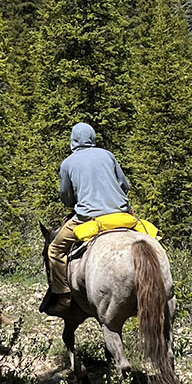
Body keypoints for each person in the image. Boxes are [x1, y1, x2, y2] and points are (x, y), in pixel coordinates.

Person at [41, 122, 133, 316]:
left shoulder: (68, 163)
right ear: (92, 138)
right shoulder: (108, 155)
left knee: (55, 250)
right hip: (122, 213)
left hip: (88, 218)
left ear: (73, 140)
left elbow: (66, 198)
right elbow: (125, 185)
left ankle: (63, 295)